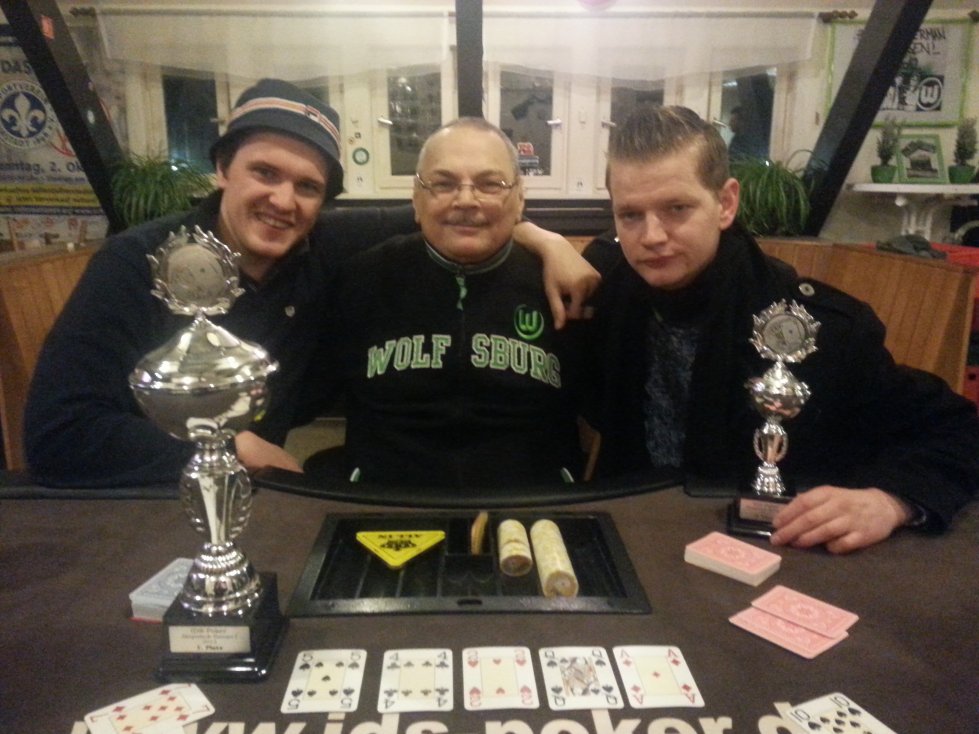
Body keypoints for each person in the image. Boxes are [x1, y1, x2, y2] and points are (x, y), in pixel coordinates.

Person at [24, 80, 597, 488]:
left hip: (260, 497)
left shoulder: (324, 245)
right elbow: (57, 434)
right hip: (138, 496)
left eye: (307, 186)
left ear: (324, 202)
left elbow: (457, 216)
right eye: (264, 173)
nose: (283, 200)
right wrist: (230, 447)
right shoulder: (136, 262)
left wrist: (544, 240)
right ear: (222, 169)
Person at [582, 106, 979, 554]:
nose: (652, 236)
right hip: (634, 539)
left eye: (677, 208)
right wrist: (540, 241)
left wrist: (889, 501)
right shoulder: (604, 296)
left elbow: (958, 430)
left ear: (726, 204)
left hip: (776, 552)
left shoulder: (818, 328)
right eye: (631, 215)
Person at [321, 118, 582, 487]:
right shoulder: (361, 279)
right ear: (416, 198)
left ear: (520, 198)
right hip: (385, 502)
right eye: (443, 184)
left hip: (534, 505)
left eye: (490, 184)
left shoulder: (561, 285)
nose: (466, 200)